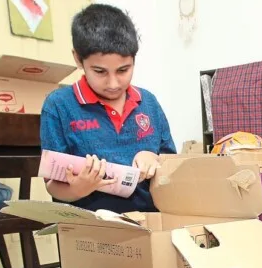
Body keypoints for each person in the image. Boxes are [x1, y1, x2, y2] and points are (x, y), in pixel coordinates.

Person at [40, 4, 176, 213]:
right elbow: (52, 184)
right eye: (100, 71)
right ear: (78, 59)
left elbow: (173, 165)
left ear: (133, 60)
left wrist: (154, 158)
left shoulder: (148, 103)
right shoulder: (59, 105)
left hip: (151, 221)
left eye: (123, 70)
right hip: (91, 226)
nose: (113, 83)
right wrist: (77, 189)